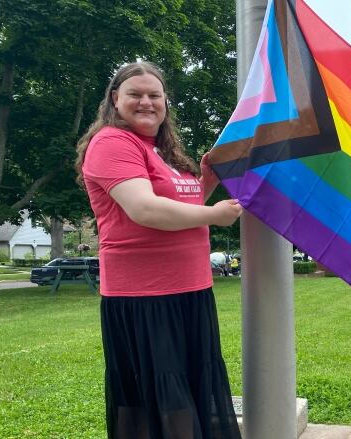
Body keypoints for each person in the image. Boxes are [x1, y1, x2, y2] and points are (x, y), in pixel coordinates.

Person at [75, 61, 243, 439]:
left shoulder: (163, 152)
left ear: (166, 101)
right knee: (164, 402)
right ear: (115, 100)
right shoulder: (112, 142)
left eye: (155, 95)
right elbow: (145, 209)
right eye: (135, 94)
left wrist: (208, 181)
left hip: (191, 291)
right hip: (145, 297)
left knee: (192, 394)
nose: (146, 102)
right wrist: (214, 215)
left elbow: (182, 206)